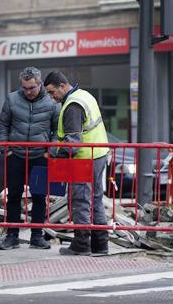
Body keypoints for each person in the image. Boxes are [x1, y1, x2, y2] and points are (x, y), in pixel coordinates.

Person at [43, 71, 109, 256]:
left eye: (52, 92)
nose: (51, 97)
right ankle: (100, 244)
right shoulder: (85, 95)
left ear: (63, 86)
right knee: (95, 199)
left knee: (80, 201)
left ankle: (82, 244)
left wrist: (55, 154)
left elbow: (73, 143)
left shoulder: (72, 106)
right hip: (98, 154)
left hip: (83, 159)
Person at [0, 67, 60, 250]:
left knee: (39, 197)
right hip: (15, 155)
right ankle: (12, 236)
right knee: (13, 196)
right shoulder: (12, 99)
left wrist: (51, 152)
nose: (28, 92)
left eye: (32, 88)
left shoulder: (52, 102)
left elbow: (57, 130)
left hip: (41, 156)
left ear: (39, 84)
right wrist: (5, 150)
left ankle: (37, 237)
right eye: (24, 88)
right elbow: (2, 125)